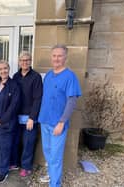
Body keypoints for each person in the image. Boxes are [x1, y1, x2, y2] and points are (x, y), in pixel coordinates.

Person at [38, 44, 82, 187]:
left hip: (58, 124)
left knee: (56, 156)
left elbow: (72, 101)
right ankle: (52, 175)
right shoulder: (49, 75)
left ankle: (55, 184)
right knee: (48, 152)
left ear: (65, 57)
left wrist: (62, 122)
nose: (56, 58)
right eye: (54, 55)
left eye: (60, 55)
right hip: (44, 120)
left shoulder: (70, 76)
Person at [11, 51, 43, 177]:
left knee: (28, 143)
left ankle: (26, 166)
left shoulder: (36, 77)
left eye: (27, 60)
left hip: (30, 118)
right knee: (17, 142)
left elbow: (38, 98)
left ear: (30, 61)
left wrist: (32, 117)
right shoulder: (15, 76)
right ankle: (17, 163)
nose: (24, 62)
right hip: (17, 116)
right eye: (22, 60)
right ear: (19, 62)